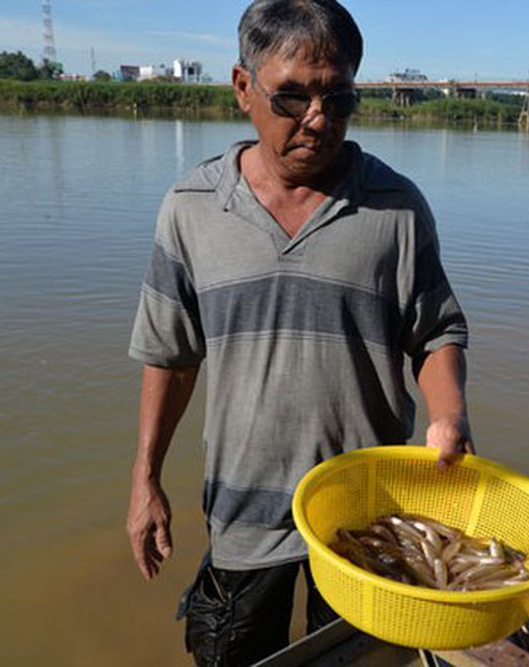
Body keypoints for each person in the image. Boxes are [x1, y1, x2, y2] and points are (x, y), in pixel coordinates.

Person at [124, 1, 472, 664]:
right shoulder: (191, 208)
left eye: (338, 97)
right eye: (292, 96)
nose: (318, 118)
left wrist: (448, 413)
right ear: (242, 88)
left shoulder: (395, 208)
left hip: (365, 519)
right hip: (242, 512)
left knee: (359, 657)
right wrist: (146, 479)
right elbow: (170, 358)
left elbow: (436, 332)